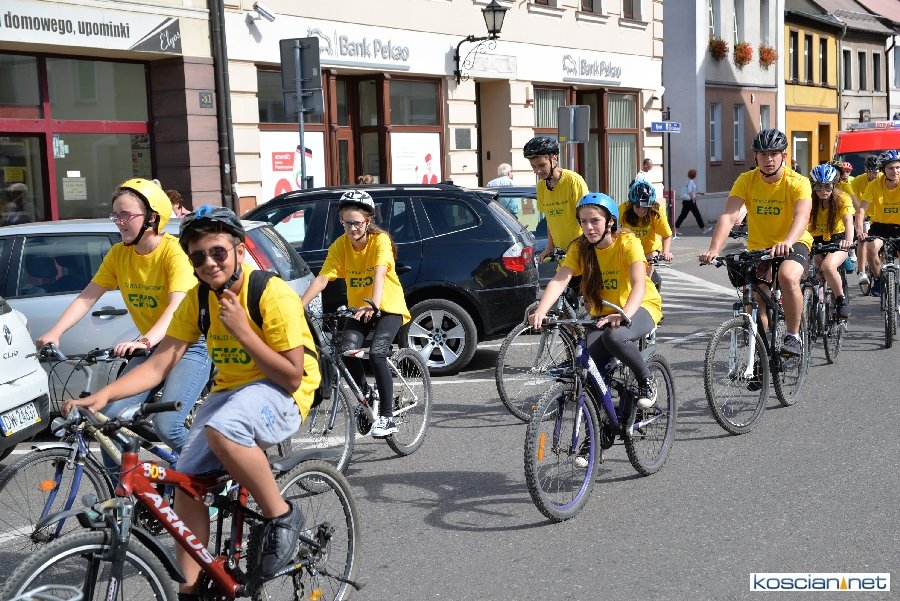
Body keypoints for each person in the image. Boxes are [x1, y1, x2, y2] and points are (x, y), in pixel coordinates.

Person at [62, 206, 320, 595]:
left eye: (218, 252)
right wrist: (103, 395)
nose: (209, 263)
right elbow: (159, 363)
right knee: (187, 483)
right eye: (198, 257)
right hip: (231, 391)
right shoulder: (199, 299)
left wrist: (243, 331)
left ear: (239, 251)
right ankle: (191, 588)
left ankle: (281, 515)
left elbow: (291, 374)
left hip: (284, 391)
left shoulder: (270, 293)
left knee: (223, 429)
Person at [37, 179, 211, 470]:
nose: (119, 222)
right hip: (152, 346)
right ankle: (123, 493)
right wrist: (55, 332)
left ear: (152, 218)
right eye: (115, 215)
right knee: (108, 422)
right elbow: (88, 297)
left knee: (168, 426)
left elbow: (176, 308)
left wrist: (144, 341)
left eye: (126, 215)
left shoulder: (174, 253)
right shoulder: (120, 254)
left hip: (190, 344)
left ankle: (215, 469)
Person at [529, 193, 662, 435]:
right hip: (603, 314)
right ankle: (599, 433)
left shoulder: (627, 242)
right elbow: (560, 280)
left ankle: (646, 381)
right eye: (583, 222)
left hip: (640, 306)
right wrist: (541, 311)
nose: (589, 227)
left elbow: (639, 284)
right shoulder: (580, 247)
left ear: (610, 221)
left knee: (615, 337)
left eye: (595, 221)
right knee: (586, 365)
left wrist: (623, 315)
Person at [301, 189, 410, 437]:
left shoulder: (380, 241)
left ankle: (387, 416)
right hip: (360, 309)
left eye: (357, 223)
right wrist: (298, 308)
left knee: (377, 354)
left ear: (367, 221)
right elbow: (322, 279)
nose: (352, 229)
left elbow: (380, 272)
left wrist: (374, 303)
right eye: (346, 223)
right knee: (346, 351)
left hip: (387, 306)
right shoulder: (340, 246)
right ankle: (366, 396)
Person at [699, 128, 813, 358]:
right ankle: (762, 353)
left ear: (783, 155)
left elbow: (802, 215)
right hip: (759, 247)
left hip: (794, 242)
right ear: (756, 157)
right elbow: (728, 216)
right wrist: (714, 249)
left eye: (773, 154)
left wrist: (787, 241)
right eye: (763, 154)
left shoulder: (798, 182)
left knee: (788, 276)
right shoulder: (746, 180)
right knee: (755, 296)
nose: (768, 159)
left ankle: (793, 335)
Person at [524, 136, 589, 263]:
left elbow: (588, 217)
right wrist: (550, 246)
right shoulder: (541, 186)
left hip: (581, 251)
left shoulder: (573, 181)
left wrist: (585, 246)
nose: (538, 171)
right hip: (562, 253)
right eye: (534, 166)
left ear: (554, 158)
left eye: (542, 165)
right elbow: (550, 219)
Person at [807, 164, 854, 318]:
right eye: (819, 187)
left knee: (828, 267)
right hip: (814, 239)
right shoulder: (808, 199)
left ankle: (841, 300)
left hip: (838, 240)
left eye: (828, 186)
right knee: (805, 272)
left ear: (834, 185)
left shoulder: (842, 198)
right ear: (813, 186)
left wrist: (848, 240)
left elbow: (848, 221)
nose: (823, 191)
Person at [857, 150, 900, 297]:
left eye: (898, 167)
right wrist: (860, 231)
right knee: (871, 247)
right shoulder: (874, 185)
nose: (895, 171)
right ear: (883, 170)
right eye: (891, 168)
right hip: (880, 227)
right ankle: (877, 278)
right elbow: (861, 210)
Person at [620, 180, 672, 291]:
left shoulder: (656, 212)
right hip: (628, 249)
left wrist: (666, 251)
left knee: (645, 280)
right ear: (631, 204)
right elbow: (612, 230)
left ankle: (646, 291)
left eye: (645, 207)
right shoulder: (623, 209)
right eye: (637, 207)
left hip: (649, 249)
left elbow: (666, 235)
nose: (641, 211)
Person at [852, 155, 880, 287]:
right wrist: (857, 210)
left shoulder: (883, 178)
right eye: (871, 171)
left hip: (878, 216)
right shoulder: (858, 180)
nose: (874, 175)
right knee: (863, 239)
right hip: (864, 214)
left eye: (876, 172)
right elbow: (850, 195)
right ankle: (862, 272)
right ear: (866, 170)